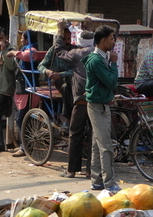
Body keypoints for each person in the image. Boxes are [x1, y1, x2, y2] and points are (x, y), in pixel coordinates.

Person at [82, 25, 121, 193]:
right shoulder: (97, 60)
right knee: (106, 146)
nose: (114, 42)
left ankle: (96, 180)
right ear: (104, 40)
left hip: (100, 104)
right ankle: (109, 182)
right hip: (98, 107)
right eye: (112, 38)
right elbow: (112, 82)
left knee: (98, 145)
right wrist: (114, 64)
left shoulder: (99, 58)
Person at [55, 24, 94, 178]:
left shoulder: (77, 53)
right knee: (93, 136)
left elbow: (59, 51)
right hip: (96, 100)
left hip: (81, 101)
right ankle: (90, 170)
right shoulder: (100, 53)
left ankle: (71, 170)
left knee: (75, 133)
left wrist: (59, 33)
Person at [7, 31, 37, 157]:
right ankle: (25, 146)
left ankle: (25, 148)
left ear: (27, 39)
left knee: (22, 120)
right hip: (22, 88)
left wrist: (14, 52)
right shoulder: (25, 49)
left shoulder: (32, 50)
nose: (20, 40)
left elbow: (27, 56)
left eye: (22, 38)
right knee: (21, 119)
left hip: (27, 89)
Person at [37, 28, 74, 131]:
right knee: (66, 87)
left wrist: (61, 74)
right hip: (60, 81)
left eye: (69, 39)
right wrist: (47, 71)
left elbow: (77, 70)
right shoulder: (53, 50)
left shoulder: (74, 50)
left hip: (74, 79)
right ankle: (66, 117)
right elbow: (41, 66)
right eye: (64, 39)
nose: (67, 41)